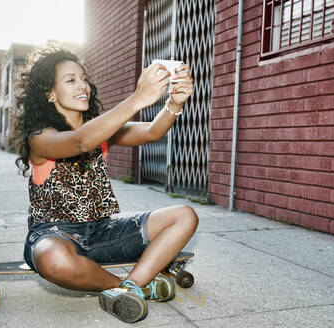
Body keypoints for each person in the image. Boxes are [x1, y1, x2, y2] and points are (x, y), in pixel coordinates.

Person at [13, 46, 198, 323]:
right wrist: (137, 99)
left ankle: (132, 287)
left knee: (185, 215)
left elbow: (152, 132)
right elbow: (80, 141)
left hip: (103, 230)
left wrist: (175, 103)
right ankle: (126, 288)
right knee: (53, 259)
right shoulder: (40, 137)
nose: (83, 86)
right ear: (49, 93)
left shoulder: (102, 130)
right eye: (71, 80)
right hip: (54, 235)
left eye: (84, 78)